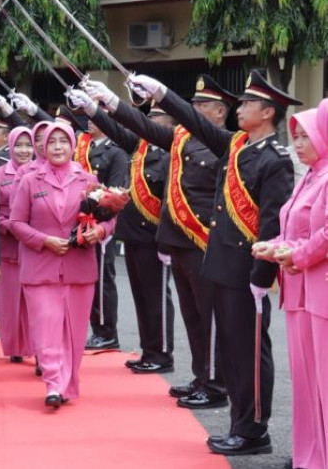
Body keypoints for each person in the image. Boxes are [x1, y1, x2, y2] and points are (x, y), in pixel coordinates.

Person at [129, 69, 298, 455]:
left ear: (269, 112)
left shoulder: (274, 160)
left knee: (249, 353)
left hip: (247, 273)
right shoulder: (237, 146)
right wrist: (163, 96)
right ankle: (241, 424)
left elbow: (271, 223)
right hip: (222, 267)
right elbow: (192, 123)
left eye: (250, 103)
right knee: (231, 352)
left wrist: (261, 277)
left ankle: (254, 431)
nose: (242, 107)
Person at [84, 75, 230, 409]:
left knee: (207, 317)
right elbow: (138, 129)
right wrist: (104, 104)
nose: (195, 112)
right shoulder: (181, 141)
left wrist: (163, 93)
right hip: (178, 239)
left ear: (220, 111)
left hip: (203, 241)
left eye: (202, 106)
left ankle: (216, 384)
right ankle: (201, 376)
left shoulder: (225, 141)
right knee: (193, 316)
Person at [68, 88, 175, 373]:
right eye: (149, 118)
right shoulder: (141, 148)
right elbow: (113, 129)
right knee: (141, 298)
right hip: (134, 235)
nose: (151, 123)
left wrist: (167, 241)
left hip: (155, 237)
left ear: (171, 123)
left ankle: (162, 354)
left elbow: (169, 201)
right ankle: (149, 350)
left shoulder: (171, 153)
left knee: (156, 299)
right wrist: (92, 108)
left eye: (157, 118)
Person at [10, 121, 115, 408]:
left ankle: (68, 383)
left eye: (63, 141)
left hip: (79, 267)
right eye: (52, 142)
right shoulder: (30, 179)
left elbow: (108, 216)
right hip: (40, 266)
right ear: (43, 148)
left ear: (72, 145)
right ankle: (53, 383)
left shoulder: (88, 180)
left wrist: (101, 231)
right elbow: (16, 222)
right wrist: (44, 241)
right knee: (46, 327)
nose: (57, 147)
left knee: (75, 332)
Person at [252, 100, 328, 469]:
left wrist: (295, 254)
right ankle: (309, 456)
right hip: (301, 290)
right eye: (295, 136)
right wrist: (279, 246)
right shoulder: (312, 175)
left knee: (324, 383)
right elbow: (298, 228)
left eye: (305, 137)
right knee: (306, 382)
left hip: (319, 286)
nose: (297, 143)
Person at [72, 113, 128, 351]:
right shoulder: (81, 148)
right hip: (78, 220)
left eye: (99, 118)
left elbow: (115, 192)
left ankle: (106, 331)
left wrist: (100, 219)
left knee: (103, 279)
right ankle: (95, 327)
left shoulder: (115, 153)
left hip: (100, 221)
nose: (91, 122)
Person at [0, 126, 34, 362]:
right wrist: (11, 225)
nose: (24, 150)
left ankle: (38, 347)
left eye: (28, 145)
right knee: (9, 303)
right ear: (10, 147)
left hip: (35, 248)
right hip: (8, 246)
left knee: (35, 302)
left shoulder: (40, 172)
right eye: (18, 145)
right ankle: (15, 348)